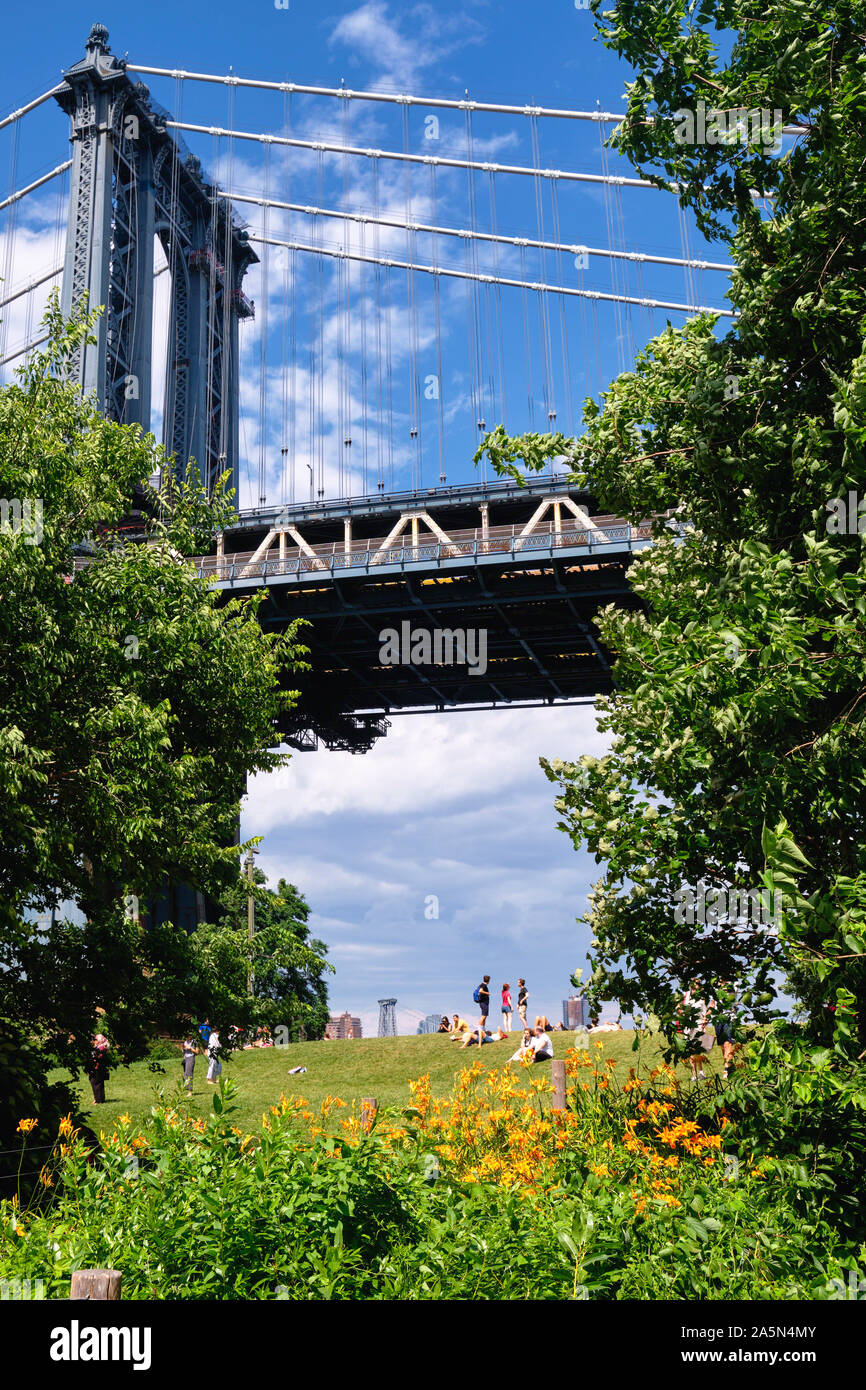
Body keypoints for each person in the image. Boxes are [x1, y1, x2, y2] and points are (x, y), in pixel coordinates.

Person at [679, 983, 713, 1080]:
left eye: (696, 987)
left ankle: (701, 1072)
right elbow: (678, 1007)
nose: (694, 989)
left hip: (698, 1026)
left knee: (697, 1051)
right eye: (693, 987)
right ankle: (694, 1074)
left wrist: (705, 1021)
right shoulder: (686, 996)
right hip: (688, 1026)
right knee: (690, 1051)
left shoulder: (702, 998)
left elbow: (705, 1012)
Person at [714, 981, 741, 1078]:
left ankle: (726, 1069)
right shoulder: (715, 985)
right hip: (717, 1017)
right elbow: (714, 1001)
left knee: (727, 1044)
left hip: (730, 1017)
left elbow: (730, 991)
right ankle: (730, 1065)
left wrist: (722, 985)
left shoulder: (733, 983)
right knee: (722, 1046)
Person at [88, 1033, 110, 1104]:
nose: (94, 1041)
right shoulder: (98, 1047)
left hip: (97, 1068)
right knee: (96, 1082)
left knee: (96, 1083)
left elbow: (97, 1058)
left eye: (95, 1040)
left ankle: (98, 1100)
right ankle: (98, 1099)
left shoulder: (101, 1048)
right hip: (95, 1067)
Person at [474, 974, 491, 1044]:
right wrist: (487, 993)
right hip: (483, 1003)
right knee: (483, 1016)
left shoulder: (483, 985)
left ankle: (483, 1028)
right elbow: (481, 991)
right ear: (488, 980)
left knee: (485, 1016)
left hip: (483, 1003)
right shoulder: (483, 985)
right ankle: (479, 1028)